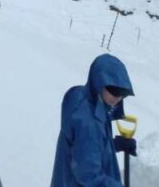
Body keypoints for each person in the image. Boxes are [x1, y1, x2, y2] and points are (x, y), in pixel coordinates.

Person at [51, 53, 138, 187]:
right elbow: (88, 174)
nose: (117, 98)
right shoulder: (90, 122)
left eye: (122, 93)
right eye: (113, 90)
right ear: (99, 82)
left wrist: (114, 144)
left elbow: (85, 149)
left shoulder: (87, 102)